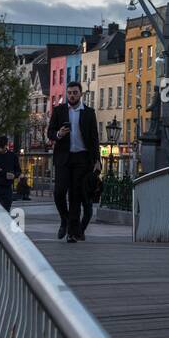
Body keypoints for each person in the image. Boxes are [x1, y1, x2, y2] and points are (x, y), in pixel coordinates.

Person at [44, 80, 100, 242]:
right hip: (63, 157)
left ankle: (72, 232)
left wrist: (97, 160)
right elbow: (50, 133)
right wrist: (59, 134)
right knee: (59, 192)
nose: (72, 95)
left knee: (75, 196)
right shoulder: (59, 111)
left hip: (82, 158)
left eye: (75, 92)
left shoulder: (89, 113)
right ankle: (65, 219)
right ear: (66, 94)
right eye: (69, 93)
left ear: (80, 94)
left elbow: (94, 138)